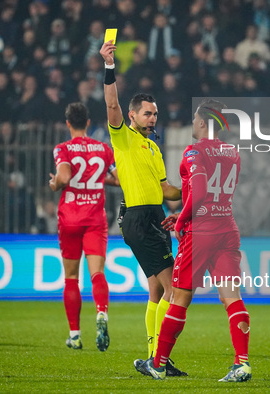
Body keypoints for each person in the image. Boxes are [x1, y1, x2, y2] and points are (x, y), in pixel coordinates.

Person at [138, 99, 251, 382]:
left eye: (194, 120)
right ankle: (242, 364)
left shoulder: (193, 153)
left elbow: (198, 193)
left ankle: (159, 364)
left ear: (202, 122)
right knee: (231, 297)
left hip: (201, 233)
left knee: (179, 296)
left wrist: (182, 217)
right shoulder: (233, 152)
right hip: (227, 227)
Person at [99, 39, 186, 376]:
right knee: (174, 289)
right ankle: (157, 360)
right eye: (147, 113)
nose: (153, 118)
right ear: (133, 114)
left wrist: (196, 189)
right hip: (138, 218)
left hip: (156, 217)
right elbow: (111, 104)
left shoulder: (153, 149)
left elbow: (167, 190)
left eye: (155, 114)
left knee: (156, 289)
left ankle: (154, 355)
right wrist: (109, 66)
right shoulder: (123, 136)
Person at [49, 102, 118, 352]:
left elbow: (65, 177)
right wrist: (99, 179)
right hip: (95, 218)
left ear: (68, 124)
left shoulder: (63, 149)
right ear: (88, 123)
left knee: (71, 278)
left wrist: (56, 184)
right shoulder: (103, 149)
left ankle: (75, 335)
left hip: (69, 219)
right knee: (97, 274)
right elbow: (119, 179)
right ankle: (101, 313)